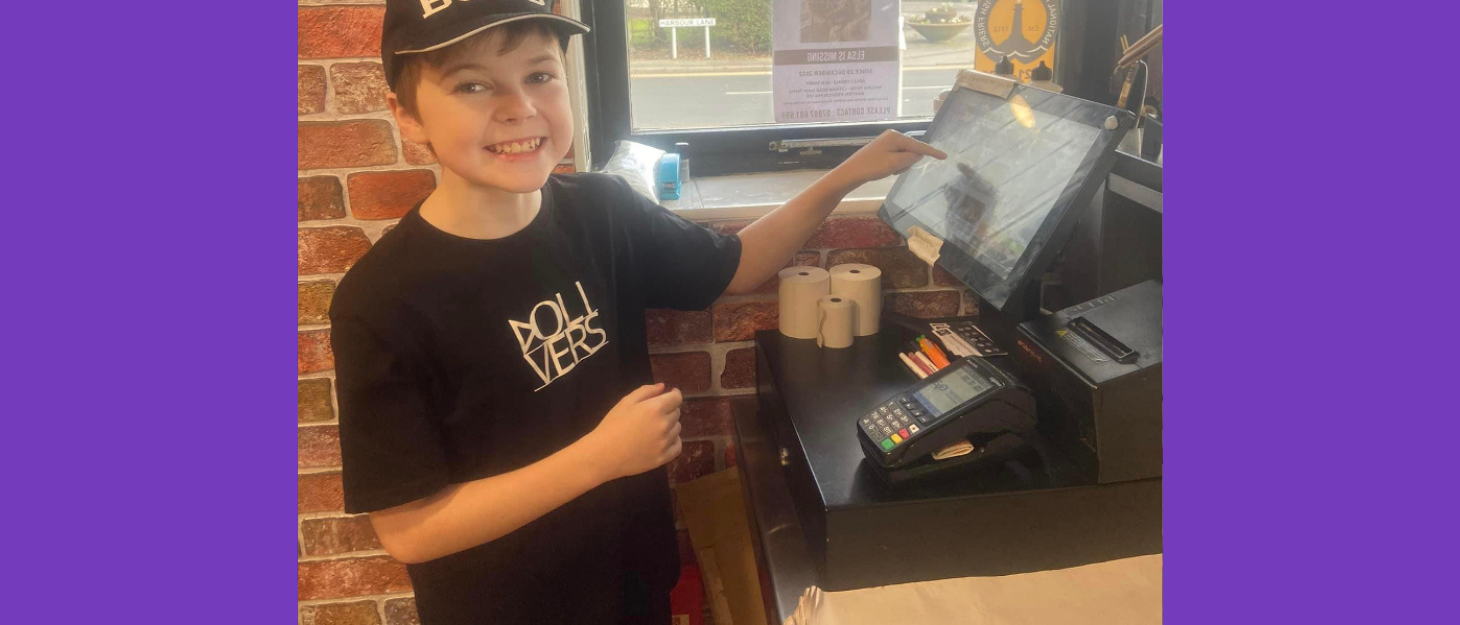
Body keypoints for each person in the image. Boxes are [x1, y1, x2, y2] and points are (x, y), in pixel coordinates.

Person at [328, 1, 946, 623]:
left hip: (633, 577)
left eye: (540, 75)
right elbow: (410, 530)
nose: (520, 108)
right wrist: (597, 459)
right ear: (406, 116)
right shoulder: (381, 301)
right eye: (472, 84)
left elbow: (737, 264)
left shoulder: (600, 210)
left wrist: (849, 173)